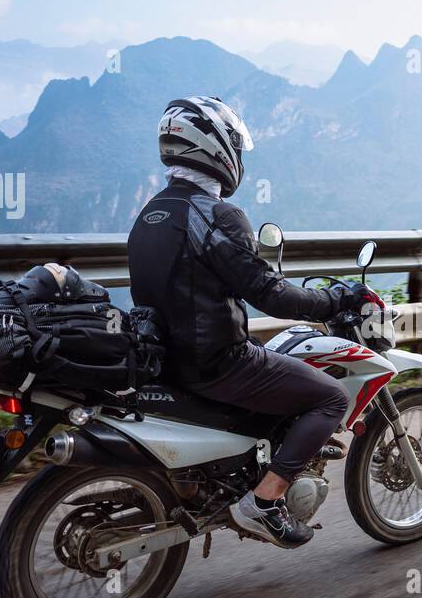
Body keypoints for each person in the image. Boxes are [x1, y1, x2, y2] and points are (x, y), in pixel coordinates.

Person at [127, 96, 363, 549]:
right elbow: (268, 293)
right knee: (330, 399)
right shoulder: (217, 216)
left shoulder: (151, 213)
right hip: (219, 364)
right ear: (217, 148)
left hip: (162, 363)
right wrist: (333, 300)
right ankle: (265, 503)